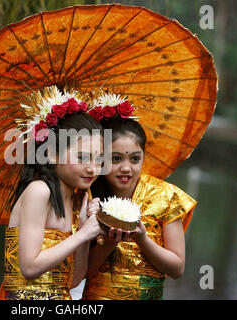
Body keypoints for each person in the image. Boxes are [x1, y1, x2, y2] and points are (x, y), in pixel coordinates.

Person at [0, 94, 105, 300]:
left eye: (99, 160)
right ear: (53, 153)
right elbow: (29, 267)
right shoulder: (39, 191)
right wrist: (81, 236)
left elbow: (73, 281)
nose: (93, 168)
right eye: (82, 157)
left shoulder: (75, 201)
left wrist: (83, 229)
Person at [83, 117, 196, 300]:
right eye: (116, 159)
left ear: (144, 156)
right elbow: (81, 272)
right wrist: (109, 242)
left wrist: (143, 239)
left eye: (134, 159)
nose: (126, 168)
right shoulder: (89, 197)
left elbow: (177, 269)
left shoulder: (165, 196)